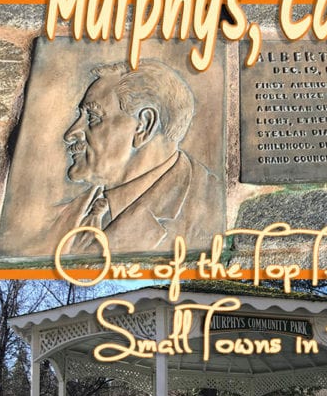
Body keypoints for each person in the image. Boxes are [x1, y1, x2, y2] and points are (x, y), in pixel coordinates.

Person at [49, 59, 220, 255]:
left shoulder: (208, 208)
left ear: (144, 126)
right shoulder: (60, 215)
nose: (71, 134)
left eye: (93, 118)